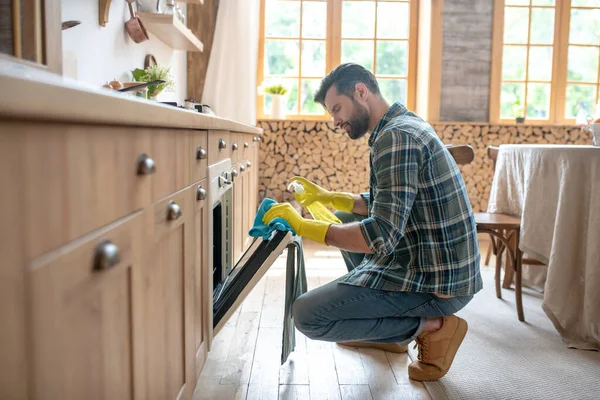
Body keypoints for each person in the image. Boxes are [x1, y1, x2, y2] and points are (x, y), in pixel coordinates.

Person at [262, 63, 482, 381]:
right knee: (345, 217)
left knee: (307, 315)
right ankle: (390, 332)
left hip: (440, 286)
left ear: (361, 92)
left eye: (337, 108)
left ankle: (433, 326)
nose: (335, 121)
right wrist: (330, 197)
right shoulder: (399, 125)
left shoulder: (396, 139)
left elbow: (378, 236)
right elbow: (389, 202)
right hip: (437, 266)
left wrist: (303, 226)